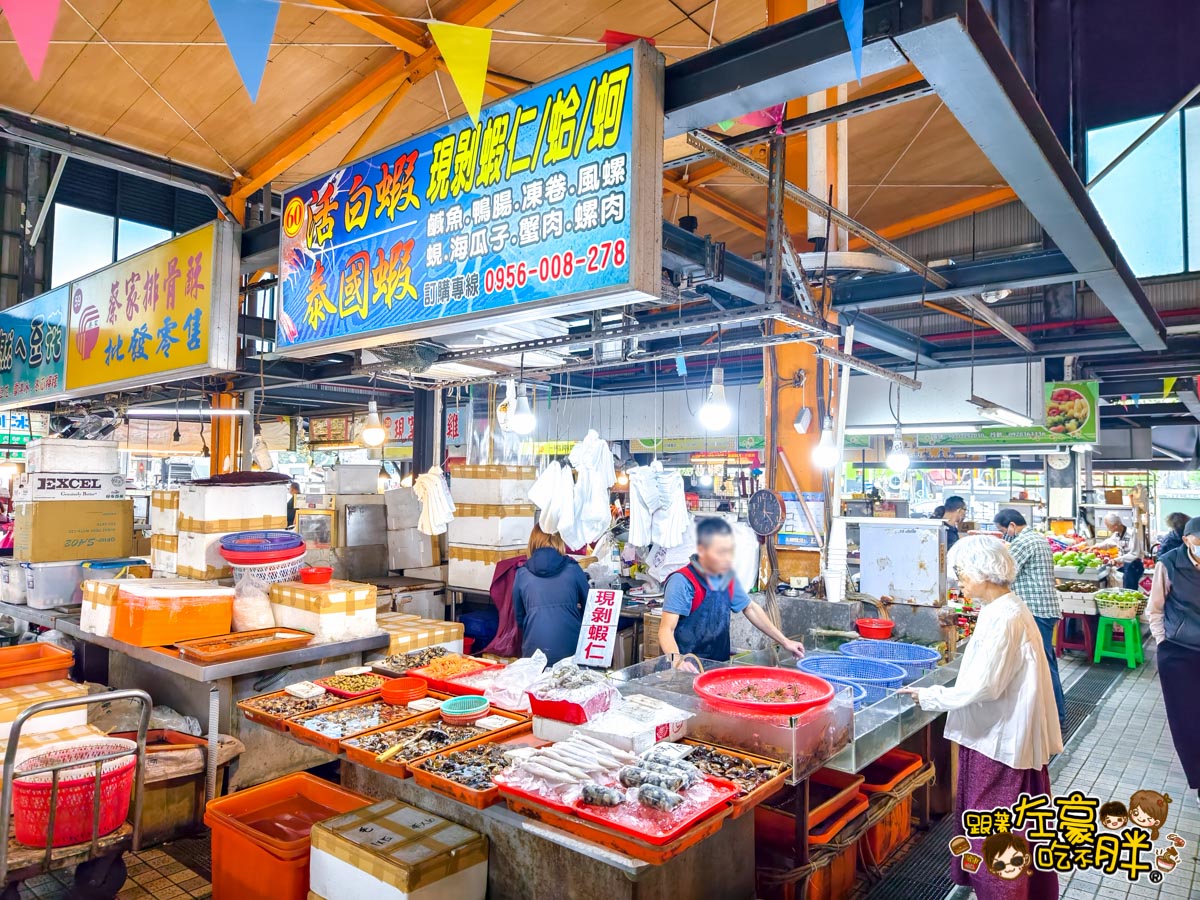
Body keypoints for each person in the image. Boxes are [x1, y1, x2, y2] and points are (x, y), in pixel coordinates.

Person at [899, 535, 1061, 900]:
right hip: (998, 736)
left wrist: (930, 695)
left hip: (1000, 742)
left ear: (983, 571)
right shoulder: (1002, 608)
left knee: (994, 830)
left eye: (960, 571)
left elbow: (986, 686)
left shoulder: (1005, 617)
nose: (959, 580)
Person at [659, 517, 804, 664]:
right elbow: (666, 630)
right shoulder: (682, 581)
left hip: (717, 667)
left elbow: (750, 608)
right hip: (685, 668)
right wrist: (677, 662)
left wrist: (785, 641)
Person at [994, 509, 1065, 729]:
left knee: (1042, 664)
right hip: (1043, 609)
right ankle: (1053, 714)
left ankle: (1057, 717)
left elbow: (1003, 572)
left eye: (1003, 531)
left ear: (1012, 526)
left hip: (1036, 611)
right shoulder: (1036, 537)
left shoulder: (1024, 542)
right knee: (1044, 662)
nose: (1004, 535)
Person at [1147, 516, 1200, 807]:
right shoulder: (1168, 564)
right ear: (1186, 541)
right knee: (1187, 718)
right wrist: (1162, 639)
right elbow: (1155, 607)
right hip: (1179, 651)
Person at [511, 525, 588, 664]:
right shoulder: (573, 569)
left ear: (533, 541)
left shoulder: (521, 573)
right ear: (559, 540)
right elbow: (590, 608)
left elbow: (519, 617)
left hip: (533, 653)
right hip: (571, 650)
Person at [1094, 512, 1145, 590]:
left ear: (1115, 526)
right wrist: (1095, 546)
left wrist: (1117, 559)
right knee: (1124, 589)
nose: (1107, 528)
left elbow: (1134, 554)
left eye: (1108, 526)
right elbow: (1109, 542)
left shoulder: (1132, 534)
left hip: (1134, 565)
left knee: (1129, 590)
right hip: (1125, 565)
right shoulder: (1117, 534)